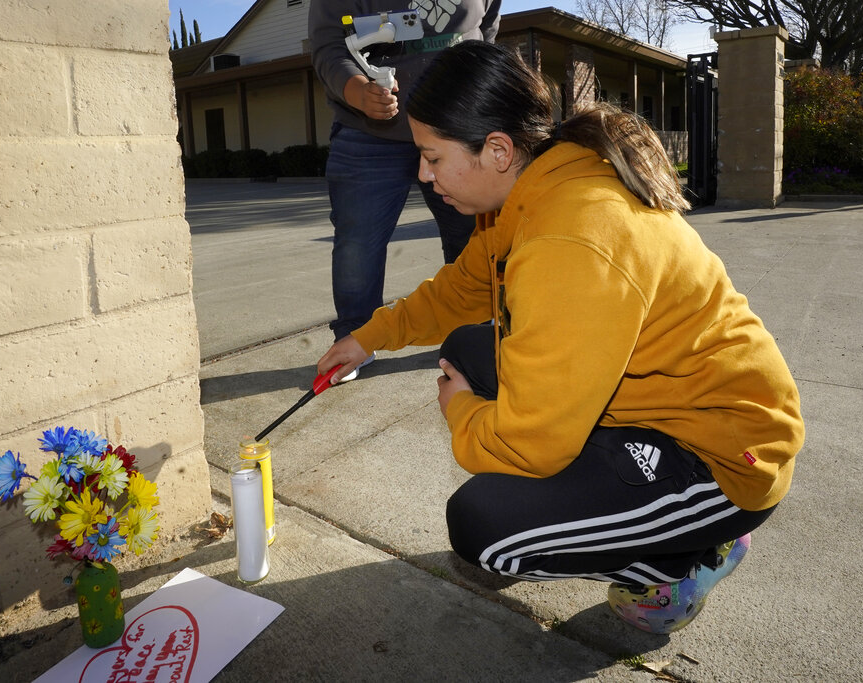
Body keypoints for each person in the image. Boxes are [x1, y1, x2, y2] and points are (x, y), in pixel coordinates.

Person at [317, 41, 804, 634]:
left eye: (432, 156)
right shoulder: (531, 190)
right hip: (662, 403)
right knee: (466, 349)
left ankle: (690, 557)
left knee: (484, 529)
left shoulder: (569, 239)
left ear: (497, 150)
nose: (423, 174)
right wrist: (367, 338)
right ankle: (655, 514)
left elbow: (530, 445)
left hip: (726, 456)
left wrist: (463, 413)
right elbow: (462, 288)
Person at [308, 1, 502, 374]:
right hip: (368, 131)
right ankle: (356, 336)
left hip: (456, 124)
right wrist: (358, 91)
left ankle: (478, 327)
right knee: (357, 244)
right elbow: (329, 44)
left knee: (472, 237)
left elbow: (487, 32)